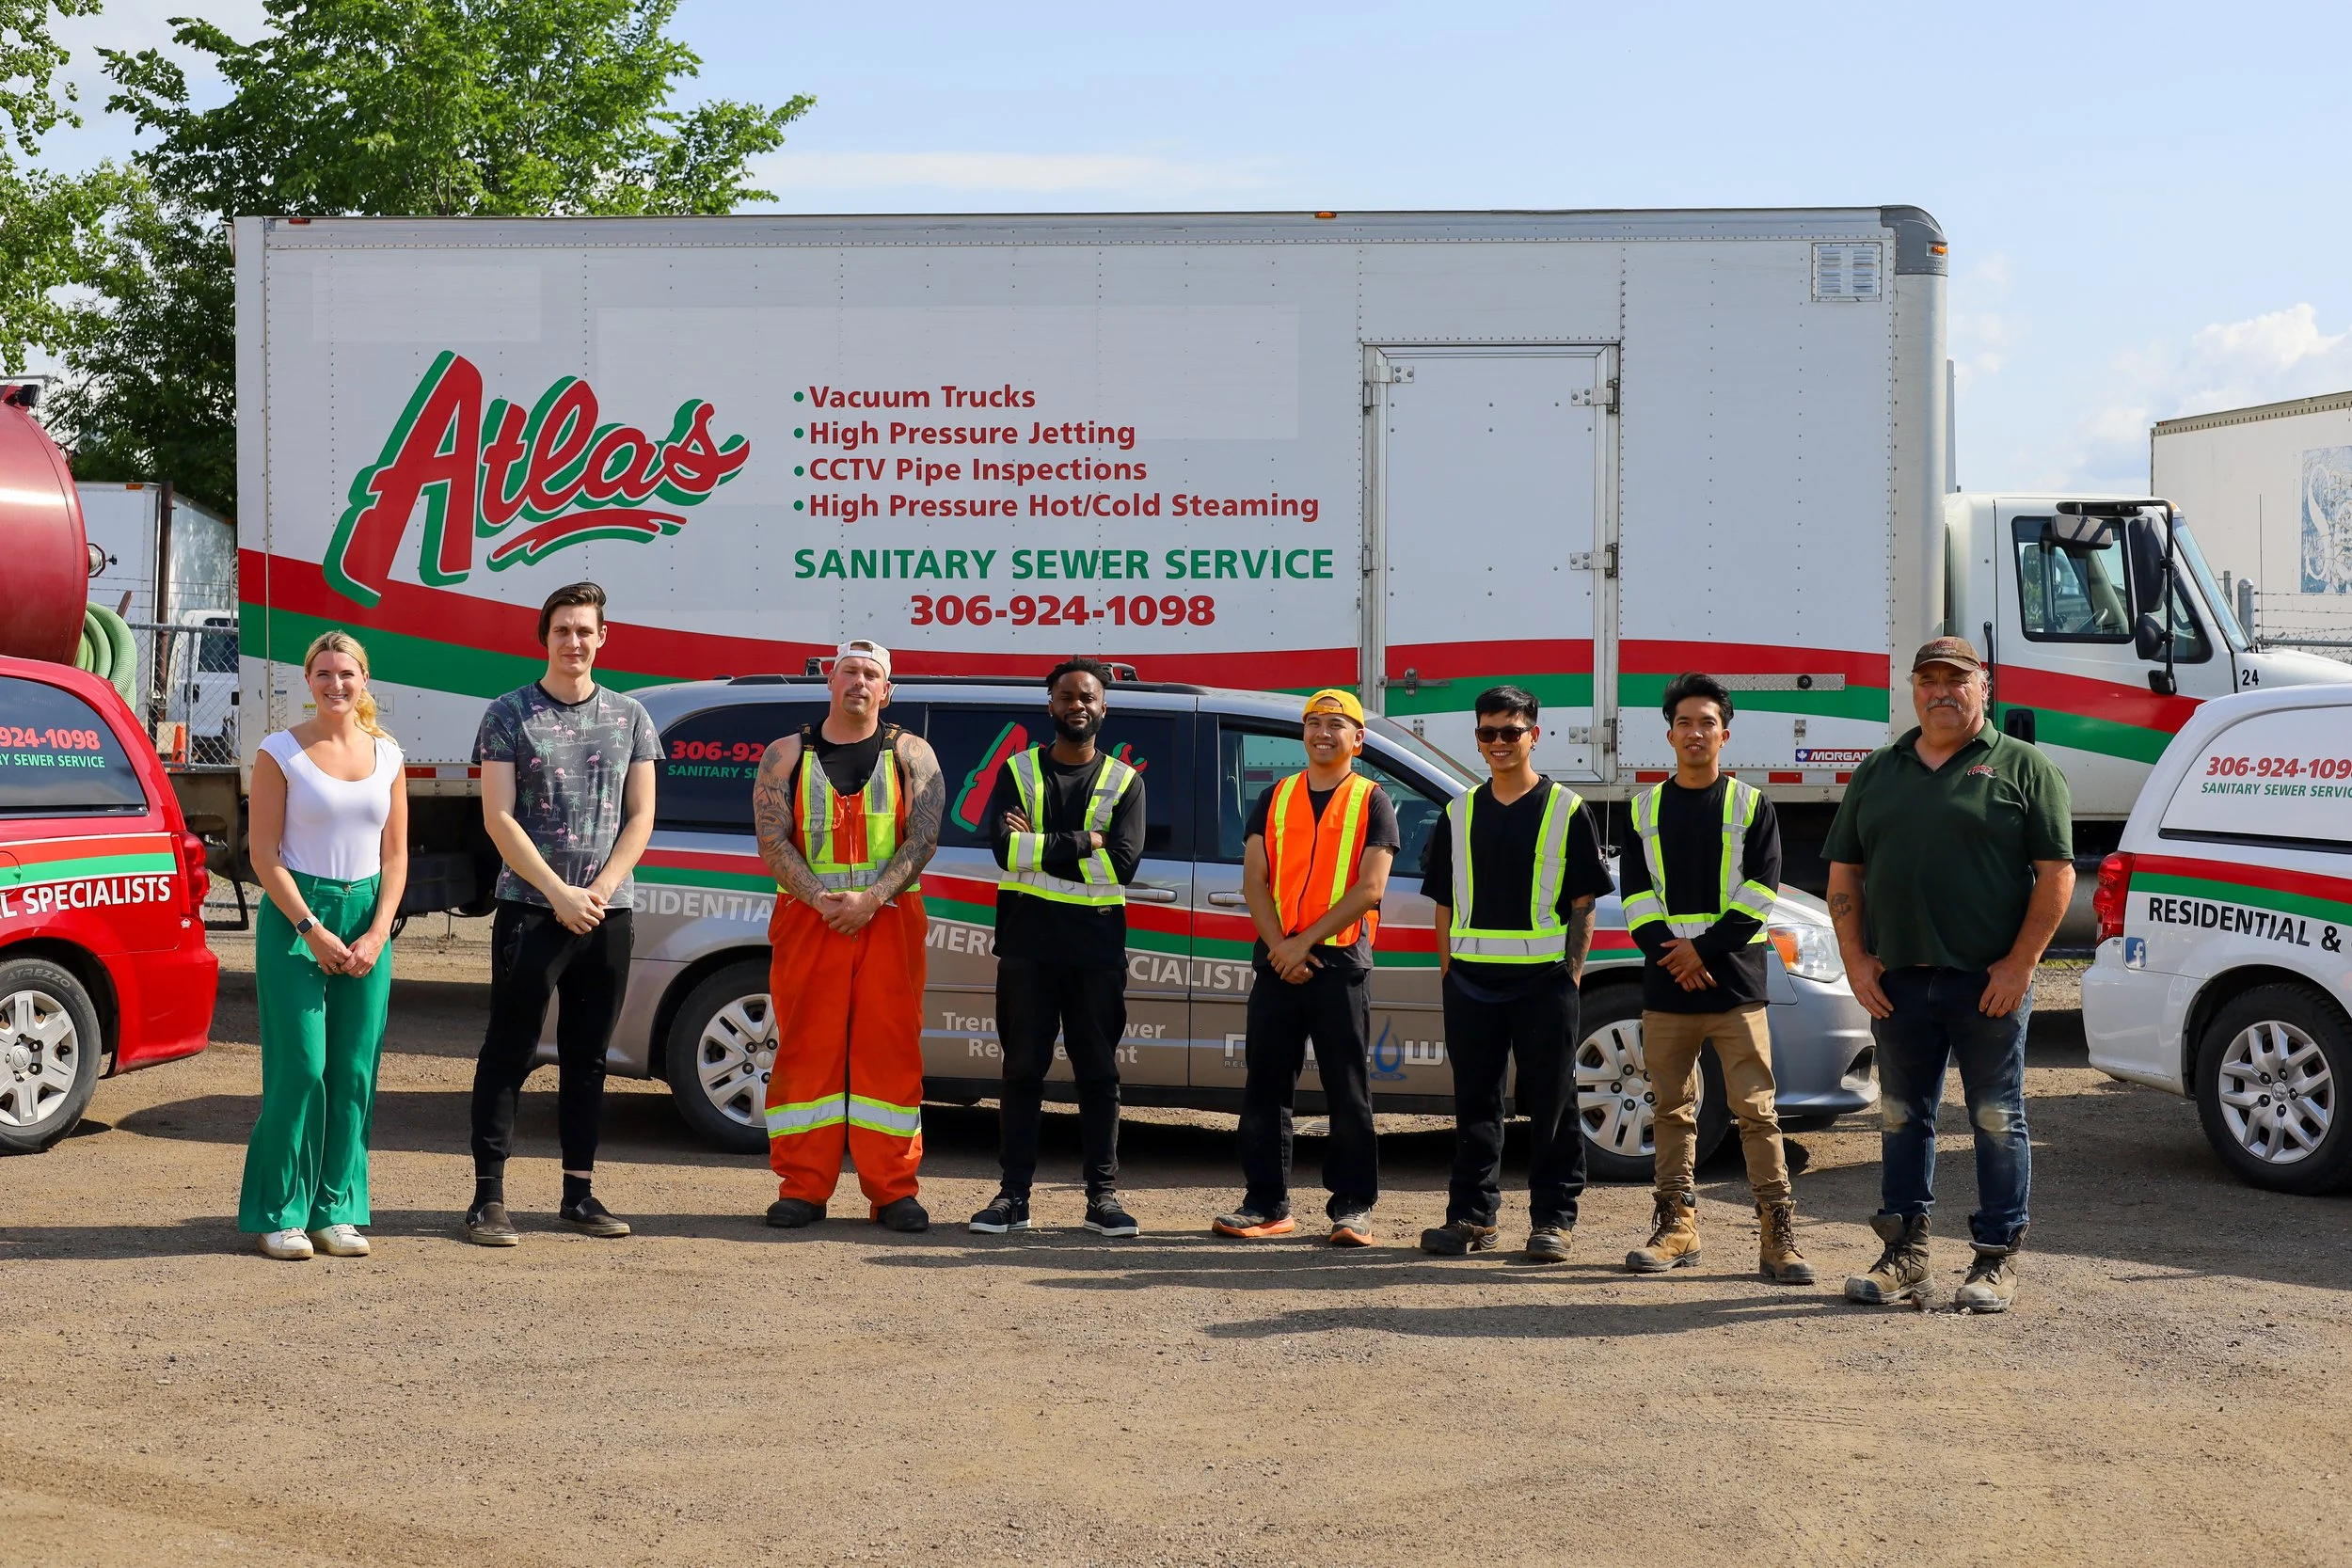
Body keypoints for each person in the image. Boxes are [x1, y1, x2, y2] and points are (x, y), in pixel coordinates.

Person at [1827, 637, 2073, 1312]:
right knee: (1904, 1117)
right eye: (1928, 678)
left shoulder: (2025, 768)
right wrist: (1855, 958)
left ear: (1982, 687)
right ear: (1913, 689)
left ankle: (1996, 1259)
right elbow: (1846, 870)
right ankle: (1905, 1255)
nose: (1941, 690)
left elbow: (2057, 874)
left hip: (1986, 985)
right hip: (1899, 982)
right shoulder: (1880, 769)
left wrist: (2020, 965)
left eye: (1956, 680)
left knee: (1996, 1116)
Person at [463, 582, 660, 1246]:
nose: (574, 641)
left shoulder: (631, 716)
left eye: (585, 630)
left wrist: (599, 889)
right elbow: (498, 817)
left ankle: (579, 1192)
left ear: (604, 637)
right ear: (544, 638)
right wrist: (558, 894)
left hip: (608, 912)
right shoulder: (508, 714)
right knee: (509, 1050)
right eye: (562, 631)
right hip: (530, 909)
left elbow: (642, 817)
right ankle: (487, 1198)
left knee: (588, 1056)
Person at [1616, 673, 1813, 1283]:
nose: (1695, 732)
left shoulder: (1753, 805)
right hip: (1668, 986)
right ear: (1669, 732)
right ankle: (1677, 1225)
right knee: (1671, 1109)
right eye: (1684, 722)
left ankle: (1778, 1236)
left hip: (1734, 986)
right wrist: (1673, 954)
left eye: (1707, 722)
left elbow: (1761, 891)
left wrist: (1698, 951)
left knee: (1757, 1111)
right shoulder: (1642, 807)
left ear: (1725, 733)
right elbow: (1635, 895)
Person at [752, 639, 944, 1232]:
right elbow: (771, 839)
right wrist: (822, 900)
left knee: (890, 1052)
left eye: (871, 675)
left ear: (887, 691)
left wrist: (870, 900)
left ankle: (892, 1191)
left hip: (889, 922)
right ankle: (802, 1188)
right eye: (849, 672)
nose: (859, 682)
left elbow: (923, 838)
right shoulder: (784, 756)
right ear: (829, 684)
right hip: (811, 922)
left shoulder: (914, 755)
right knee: (807, 1050)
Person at [1417, 686, 1613, 1263]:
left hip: (1544, 983)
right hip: (1472, 984)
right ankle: (1470, 1217)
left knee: (1552, 1102)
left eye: (1511, 731)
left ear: (1535, 735)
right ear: (1478, 740)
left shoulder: (1566, 809)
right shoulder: (1458, 813)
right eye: (1488, 733)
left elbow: (1584, 901)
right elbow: (1444, 902)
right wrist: (1450, 972)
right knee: (1475, 1103)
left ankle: (1553, 1221)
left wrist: (1571, 973)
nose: (1499, 743)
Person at [241, 631, 409, 1261]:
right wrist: (312, 928)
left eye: (348, 673)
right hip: (297, 918)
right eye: (324, 672)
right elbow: (263, 854)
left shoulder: (388, 755)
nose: (336, 683)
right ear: (307, 681)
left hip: (367, 919)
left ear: (365, 680)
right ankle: (278, 1211)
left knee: (354, 1072)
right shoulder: (279, 751)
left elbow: (395, 857)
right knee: (302, 1069)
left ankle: (335, 1209)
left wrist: (376, 931)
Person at [1211, 689, 1398, 1247]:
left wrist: (1301, 945)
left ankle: (1352, 1208)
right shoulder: (1274, 796)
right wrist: (1281, 948)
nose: (1322, 733)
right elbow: (1254, 881)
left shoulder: (1373, 800)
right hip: (1277, 961)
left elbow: (1371, 888)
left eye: (1336, 724)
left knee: (1347, 1089)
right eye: (1313, 723)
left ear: (1357, 739)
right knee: (1266, 1088)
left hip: (1339, 962)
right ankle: (1266, 1204)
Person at [969, 658, 1148, 1238]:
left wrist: (1039, 844)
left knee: (1098, 1074)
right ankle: (1012, 1198)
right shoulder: (1017, 771)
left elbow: (1122, 864)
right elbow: (1004, 852)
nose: (1078, 704)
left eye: (1088, 697)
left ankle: (1102, 1199)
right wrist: (1087, 839)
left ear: (1103, 708)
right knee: (1022, 1072)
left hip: (1095, 950)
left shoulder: (1125, 781)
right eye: (1066, 695)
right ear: (1050, 705)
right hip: (1027, 946)